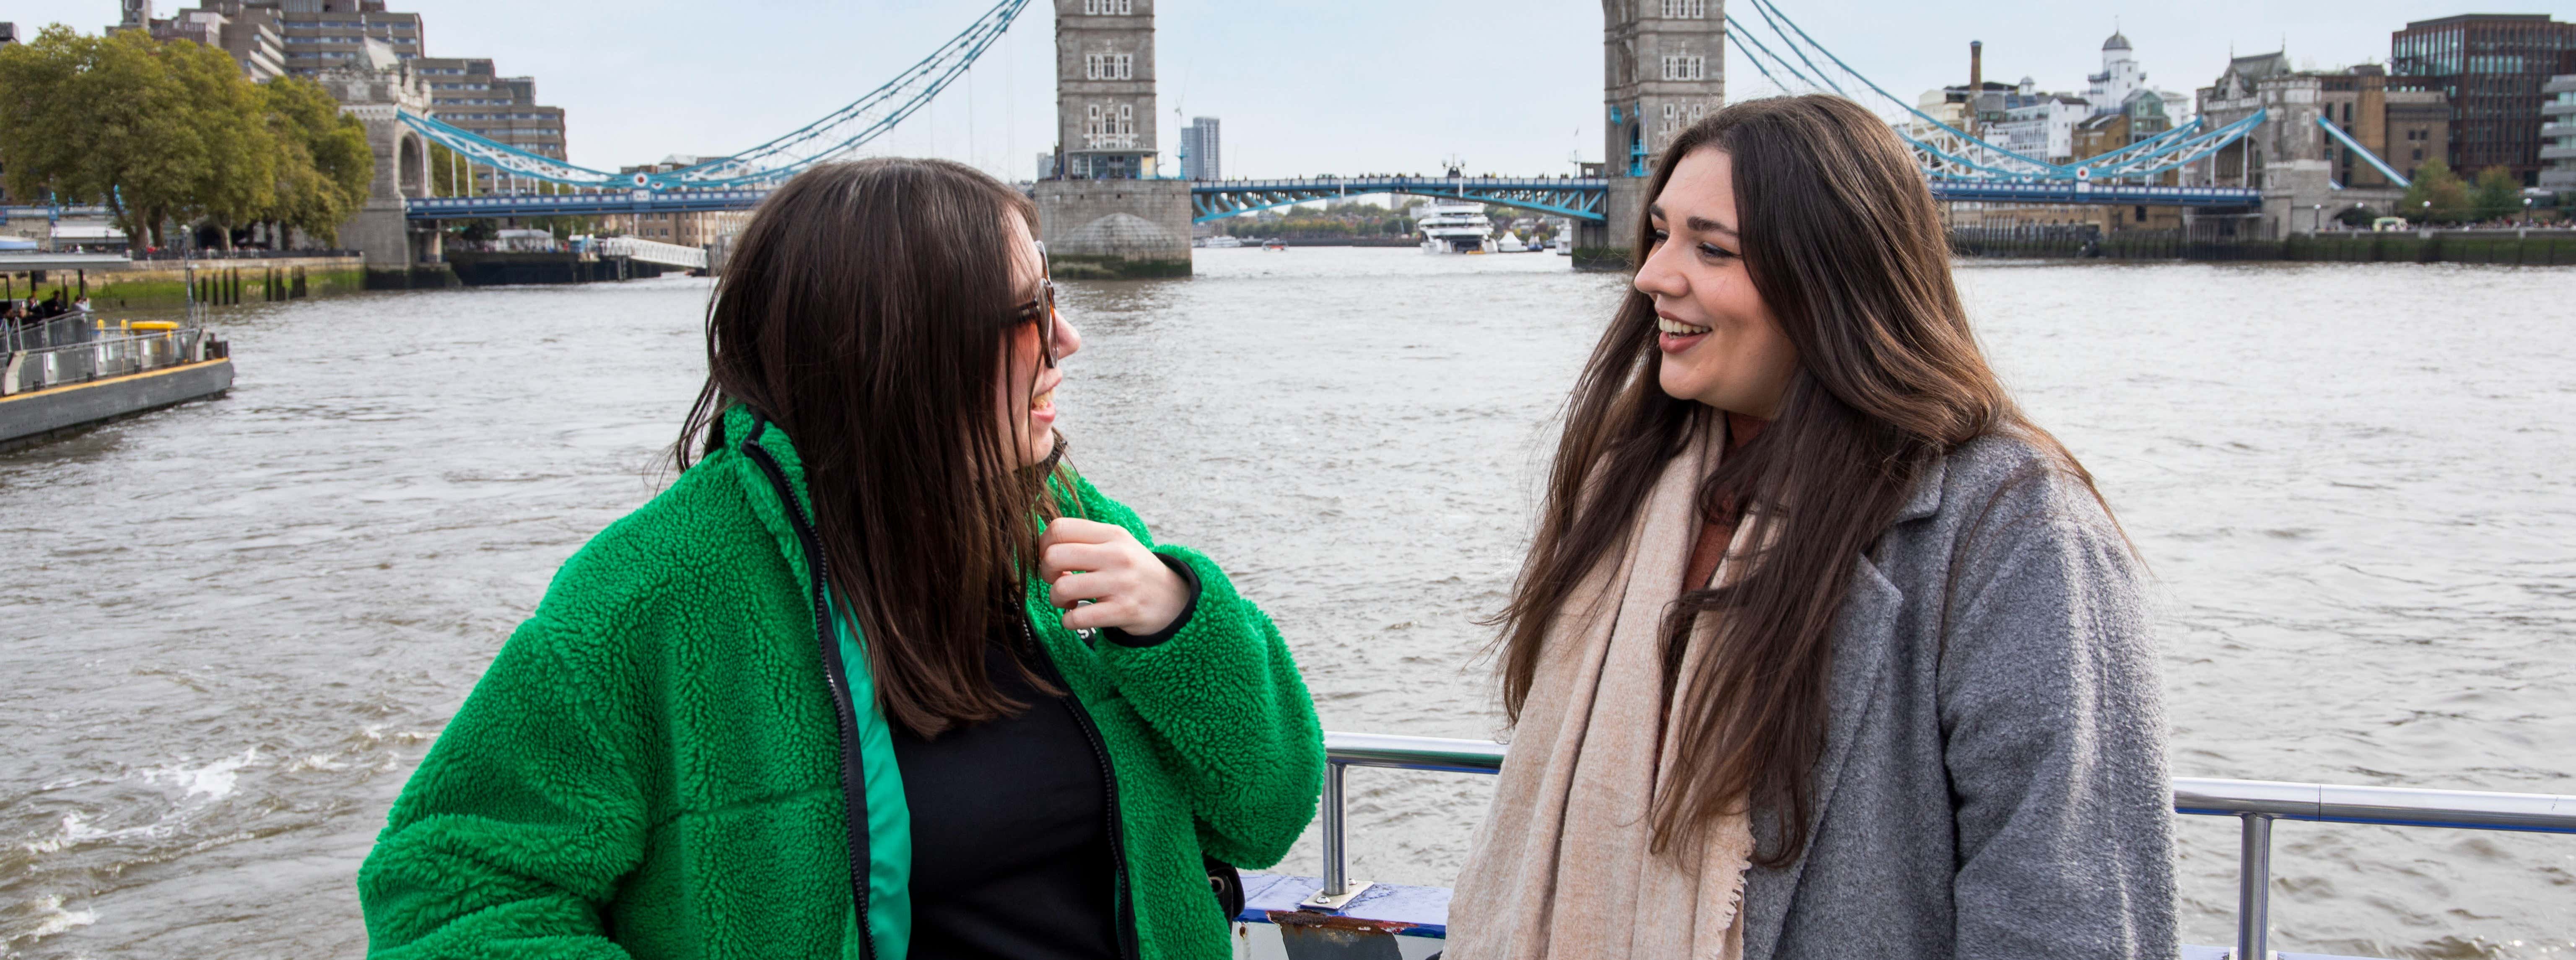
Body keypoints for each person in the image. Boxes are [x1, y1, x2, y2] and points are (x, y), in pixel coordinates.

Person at [357, 158, 1326, 960]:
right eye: (1031, 311)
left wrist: (1181, 621)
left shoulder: (1073, 529)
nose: (1067, 339)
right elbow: (446, 893)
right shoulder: (660, 590)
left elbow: (1268, 813)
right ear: (906, 344)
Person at [1452, 94, 2174, 960]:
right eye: (1660, 234)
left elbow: (2064, 911)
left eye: (1711, 249)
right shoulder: (1626, 483)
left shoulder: (2012, 525)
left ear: (1833, 278)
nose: (1651, 275)